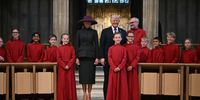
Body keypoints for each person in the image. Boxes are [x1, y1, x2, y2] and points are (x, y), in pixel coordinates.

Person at [99, 15, 127, 99]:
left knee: (120, 81)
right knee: (107, 80)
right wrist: (102, 57)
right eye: (113, 20)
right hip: (108, 60)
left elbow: (125, 45)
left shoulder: (123, 31)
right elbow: (102, 45)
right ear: (110, 21)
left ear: (119, 21)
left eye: (117, 20)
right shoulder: (105, 31)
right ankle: (107, 97)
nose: (115, 21)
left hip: (119, 60)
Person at [75, 16, 99, 100]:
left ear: (91, 23)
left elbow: (96, 45)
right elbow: (77, 45)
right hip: (82, 57)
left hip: (91, 56)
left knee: (90, 77)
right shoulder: (79, 32)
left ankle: (89, 93)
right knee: (83, 77)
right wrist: (77, 57)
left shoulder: (94, 32)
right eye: (86, 22)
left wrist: (97, 57)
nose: (87, 23)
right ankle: (84, 93)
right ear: (83, 23)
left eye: (89, 22)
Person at [106, 32, 128, 100]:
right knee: (113, 85)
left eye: (119, 37)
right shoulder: (110, 48)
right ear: (113, 39)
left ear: (121, 39)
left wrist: (119, 67)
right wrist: (114, 67)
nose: (117, 39)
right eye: (116, 37)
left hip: (121, 70)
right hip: (113, 70)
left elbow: (124, 58)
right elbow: (109, 58)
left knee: (122, 86)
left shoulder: (124, 48)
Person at [57, 33, 77, 100]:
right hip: (62, 69)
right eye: (64, 38)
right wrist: (64, 65)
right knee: (62, 85)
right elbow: (58, 58)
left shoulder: (71, 48)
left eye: (67, 39)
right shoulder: (59, 48)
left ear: (69, 40)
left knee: (69, 84)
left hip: (70, 68)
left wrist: (68, 65)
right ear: (62, 39)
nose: (66, 40)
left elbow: (73, 57)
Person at [123, 32, 140, 100]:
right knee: (125, 85)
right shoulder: (123, 46)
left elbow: (137, 57)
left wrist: (132, 66)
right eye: (129, 36)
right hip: (125, 68)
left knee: (133, 86)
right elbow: (123, 57)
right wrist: (127, 65)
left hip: (133, 69)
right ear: (126, 37)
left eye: (132, 37)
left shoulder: (137, 47)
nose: (131, 38)